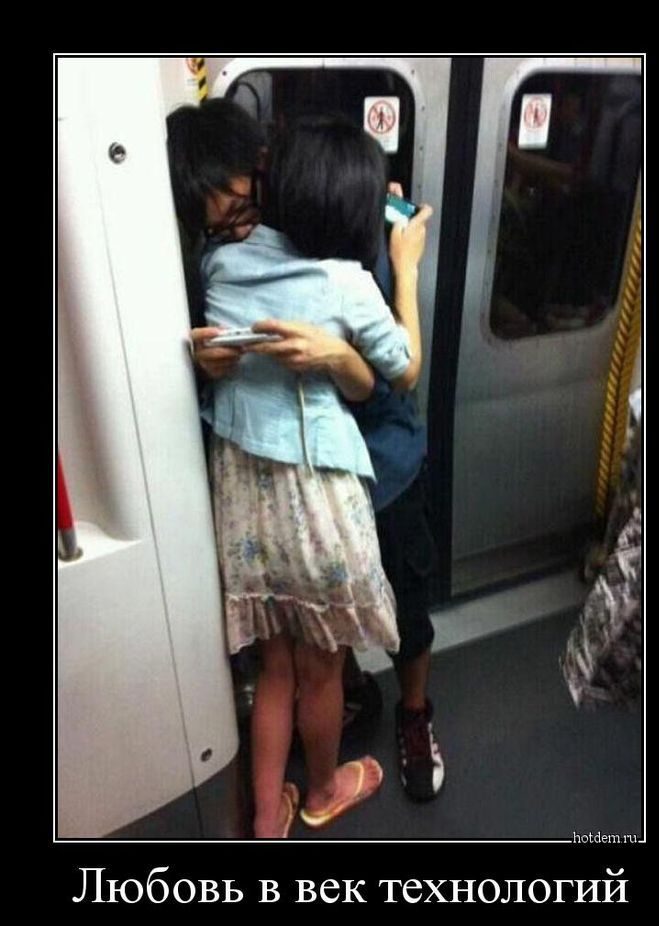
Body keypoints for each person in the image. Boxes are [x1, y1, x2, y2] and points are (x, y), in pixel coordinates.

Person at [167, 99, 443, 817]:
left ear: (268, 168)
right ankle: (321, 789)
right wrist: (405, 270)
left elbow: (369, 383)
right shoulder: (332, 266)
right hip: (326, 493)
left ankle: (270, 815)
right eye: (216, 218)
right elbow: (402, 368)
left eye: (240, 202)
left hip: (265, 493)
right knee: (321, 665)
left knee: (279, 665)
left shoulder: (227, 262)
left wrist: (336, 356)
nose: (234, 224)